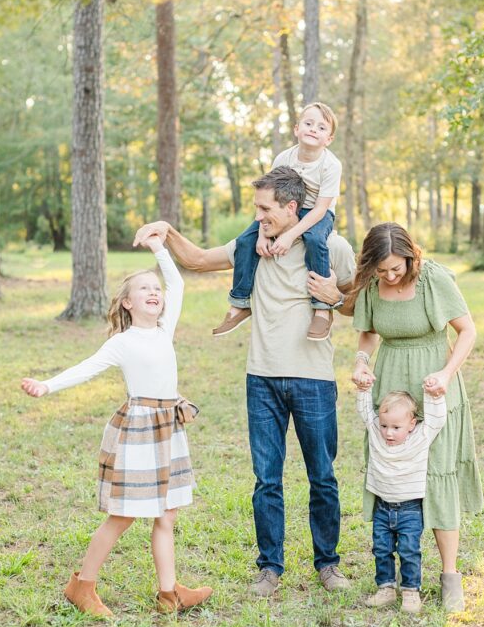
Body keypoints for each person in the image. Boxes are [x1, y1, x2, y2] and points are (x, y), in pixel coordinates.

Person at [134, 166, 356, 598]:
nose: (259, 216)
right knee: (266, 479)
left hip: (314, 380)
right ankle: (269, 569)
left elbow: (352, 303)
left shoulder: (332, 246)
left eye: (265, 208)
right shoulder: (252, 246)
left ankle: (328, 565)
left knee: (322, 477)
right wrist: (168, 230)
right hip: (262, 380)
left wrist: (337, 299)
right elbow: (197, 260)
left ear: (293, 208)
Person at [20, 236, 212, 618]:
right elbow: (85, 367)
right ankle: (82, 586)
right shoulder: (122, 343)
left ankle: (169, 592)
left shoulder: (164, 329)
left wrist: (160, 248)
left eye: (155, 289)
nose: (154, 292)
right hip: (139, 431)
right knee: (123, 515)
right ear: (128, 302)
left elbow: (178, 283)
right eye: (144, 289)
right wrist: (47, 385)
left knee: (167, 514)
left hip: (168, 429)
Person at [309, 221, 483, 612]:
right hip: (390, 383)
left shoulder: (432, 278)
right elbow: (368, 332)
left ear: (410, 256)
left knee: (436, 474)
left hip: (434, 381)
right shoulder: (371, 282)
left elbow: (467, 331)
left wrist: (446, 373)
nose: (389, 276)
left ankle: (450, 577)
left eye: (396, 268)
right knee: (394, 474)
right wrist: (359, 362)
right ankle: (391, 580)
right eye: (382, 270)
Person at [213, 103, 342, 342]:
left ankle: (322, 308)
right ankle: (240, 302)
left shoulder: (331, 165)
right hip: (282, 209)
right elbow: (267, 196)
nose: (314, 129)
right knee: (245, 240)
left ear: (329, 138)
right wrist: (263, 233)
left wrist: (289, 235)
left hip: (317, 212)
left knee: (315, 240)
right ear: (296, 128)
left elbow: (321, 208)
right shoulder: (284, 157)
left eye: (321, 127)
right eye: (308, 123)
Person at [355, 384, 447, 613]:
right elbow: (365, 411)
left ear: (411, 424)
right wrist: (363, 388)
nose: (389, 432)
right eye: (385, 425)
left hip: (410, 509)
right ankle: (385, 588)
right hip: (382, 507)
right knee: (381, 549)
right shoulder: (377, 433)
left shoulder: (420, 438)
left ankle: (410, 591)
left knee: (409, 551)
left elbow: (436, 419)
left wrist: (434, 395)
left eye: (396, 427)